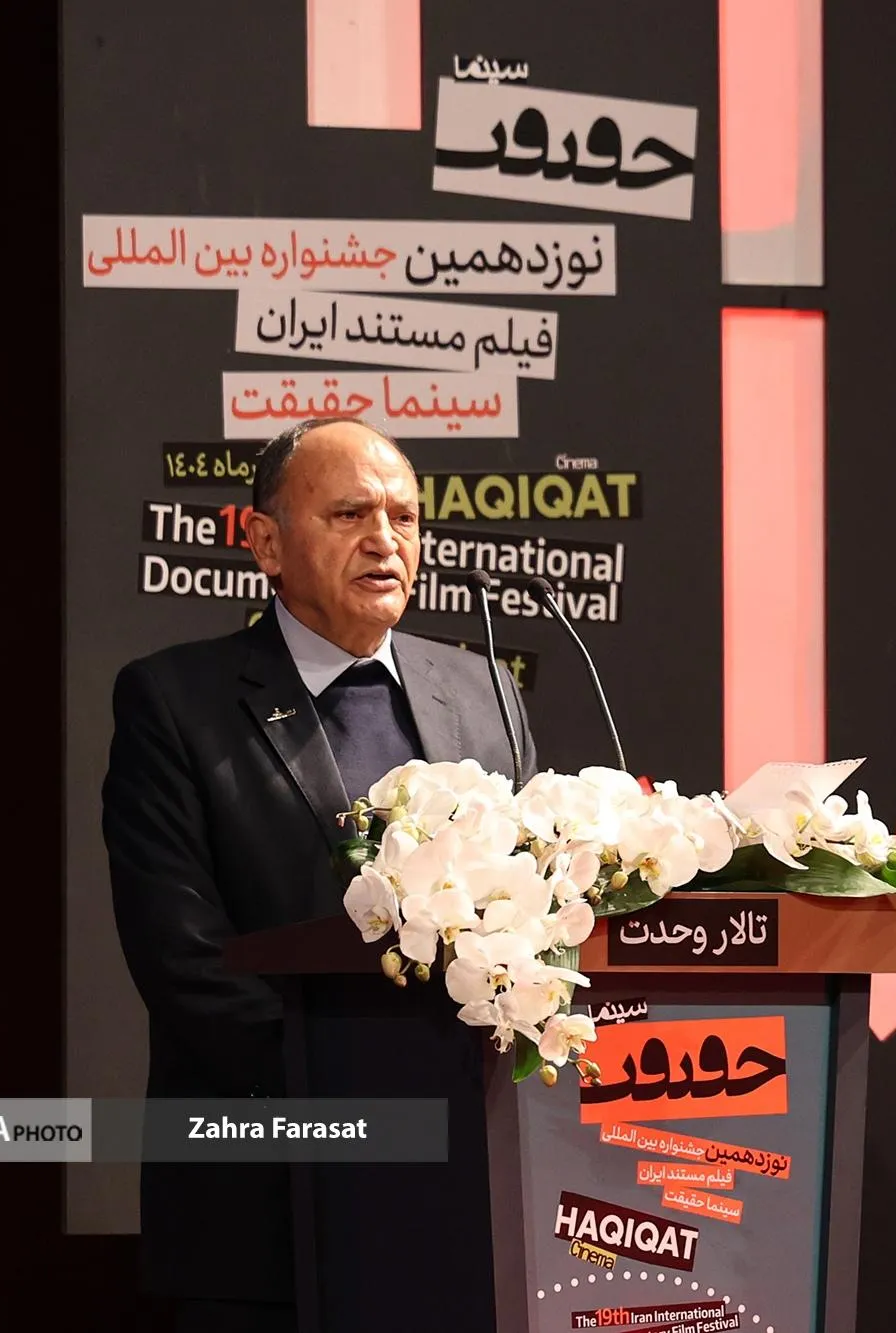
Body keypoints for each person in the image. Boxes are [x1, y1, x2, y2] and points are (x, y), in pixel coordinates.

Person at [103, 417, 535, 1332]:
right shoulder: (175, 702)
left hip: (472, 1199)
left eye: (404, 517)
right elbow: (185, 961)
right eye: (349, 514)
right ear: (266, 543)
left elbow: (535, 913)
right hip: (266, 1207)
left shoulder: (487, 694)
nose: (385, 539)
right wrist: (370, 1099)